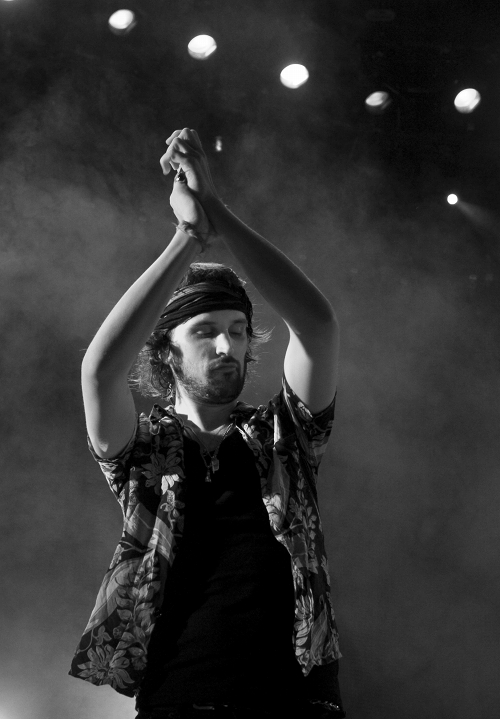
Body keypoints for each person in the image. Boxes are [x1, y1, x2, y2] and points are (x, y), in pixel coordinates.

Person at [69, 128, 345, 719]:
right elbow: (98, 371)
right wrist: (187, 238)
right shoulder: (145, 450)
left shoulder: (285, 433)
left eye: (238, 331)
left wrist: (216, 210)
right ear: (165, 353)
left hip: (295, 701)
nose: (227, 346)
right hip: (177, 698)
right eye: (205, 331)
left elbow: (317, 326)